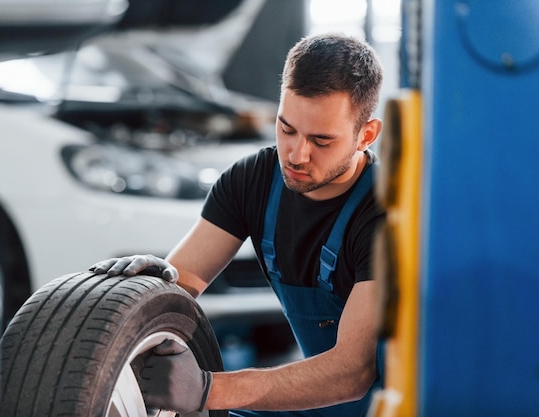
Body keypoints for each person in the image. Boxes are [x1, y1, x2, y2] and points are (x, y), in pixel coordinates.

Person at [90, 32, 385, 417]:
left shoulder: (383, 214)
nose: (296, 155)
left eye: (321, 140)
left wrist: (209, 389)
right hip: (306, 403)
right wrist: (152, 287)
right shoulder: (253, 181)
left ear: (366, 135)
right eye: (286, 128)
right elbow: (180, 285)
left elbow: (351, 373)